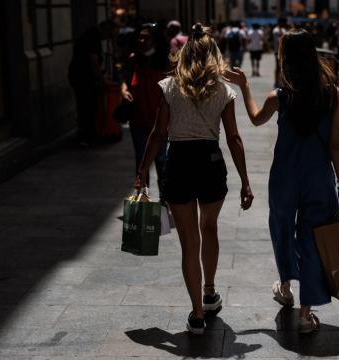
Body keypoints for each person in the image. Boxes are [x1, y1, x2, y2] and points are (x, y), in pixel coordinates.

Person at [225, 30, 339, 334]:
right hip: (319, 179)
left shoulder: (280, 96)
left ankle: (284, 286)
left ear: (287, 59)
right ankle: (306, 315)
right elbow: (336, 143)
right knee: (313, 241)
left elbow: (255, 119)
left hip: (284, 177)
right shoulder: (332, 94)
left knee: (282, 230)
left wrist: (243, 86)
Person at [134, 23, 254, 335]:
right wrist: (245, 180)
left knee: (189, 242)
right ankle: (210, 291)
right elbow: (234, 138)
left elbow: (158, 134)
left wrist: (141, 171)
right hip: (211, 162)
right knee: (209, 228)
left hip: (179, 162)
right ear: (214, 56)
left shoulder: (169, 86)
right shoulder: (224, 91)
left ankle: (197, 314)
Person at [122, 23, 170, 202]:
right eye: (140, 37)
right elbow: (125, 80)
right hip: (138, 118)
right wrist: (124, 90)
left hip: (160, 120)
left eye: (146, 37)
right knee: (141, 160)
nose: (142, 40)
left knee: (161, 160)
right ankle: (144, 199)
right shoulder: (134, 58)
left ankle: (165, 200)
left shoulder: (167, 61)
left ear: (156, 40)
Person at [68, 20, 117, 145]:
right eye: (110, 35)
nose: (108, 38)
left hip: (82, 77)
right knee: (87, 107)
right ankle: (87, 136)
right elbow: (93, 62)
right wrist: (102, 80)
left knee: (86, 107)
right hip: (83, 79)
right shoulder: (93, 37)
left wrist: (101, 78)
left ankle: (87, 134)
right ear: (106, 29)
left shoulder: (91, 35)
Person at [272, 17, 288, 87]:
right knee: (278, 67)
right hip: (278, 51)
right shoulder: (276, 30)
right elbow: (278, 41)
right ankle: (276, 81)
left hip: (284, 51)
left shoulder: (284, 29)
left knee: (283, 67)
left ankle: (281, 81)